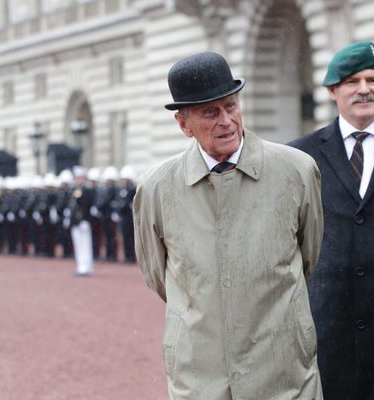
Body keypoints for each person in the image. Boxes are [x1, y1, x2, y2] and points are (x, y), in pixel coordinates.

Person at [133, 51, 324, 400]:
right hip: (200, 375)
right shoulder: (156, 189)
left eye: (231, 106)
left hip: (284, 372)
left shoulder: (297, 170)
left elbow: (308, 257)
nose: (226, 121)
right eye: (210, 112)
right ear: (183, 124)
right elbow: (158, 275)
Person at [288, 40, 374, 400]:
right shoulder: (299, 155)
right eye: (352, 82)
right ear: (332, 91)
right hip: (327, 327)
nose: (365, 89)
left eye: (372, 79)